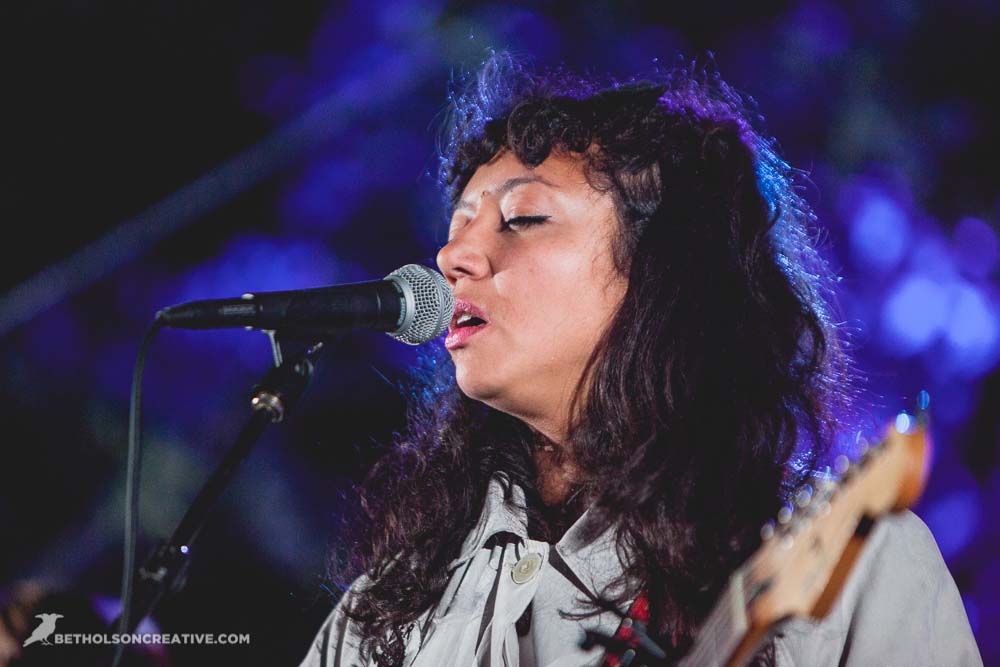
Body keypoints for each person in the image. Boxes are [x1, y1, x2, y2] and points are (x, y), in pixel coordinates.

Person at [298, 54, 982, 667]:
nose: (453, 258)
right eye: (455, 229)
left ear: (663, 271)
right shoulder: (388, 607)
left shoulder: (852, 562)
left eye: (523, 218)